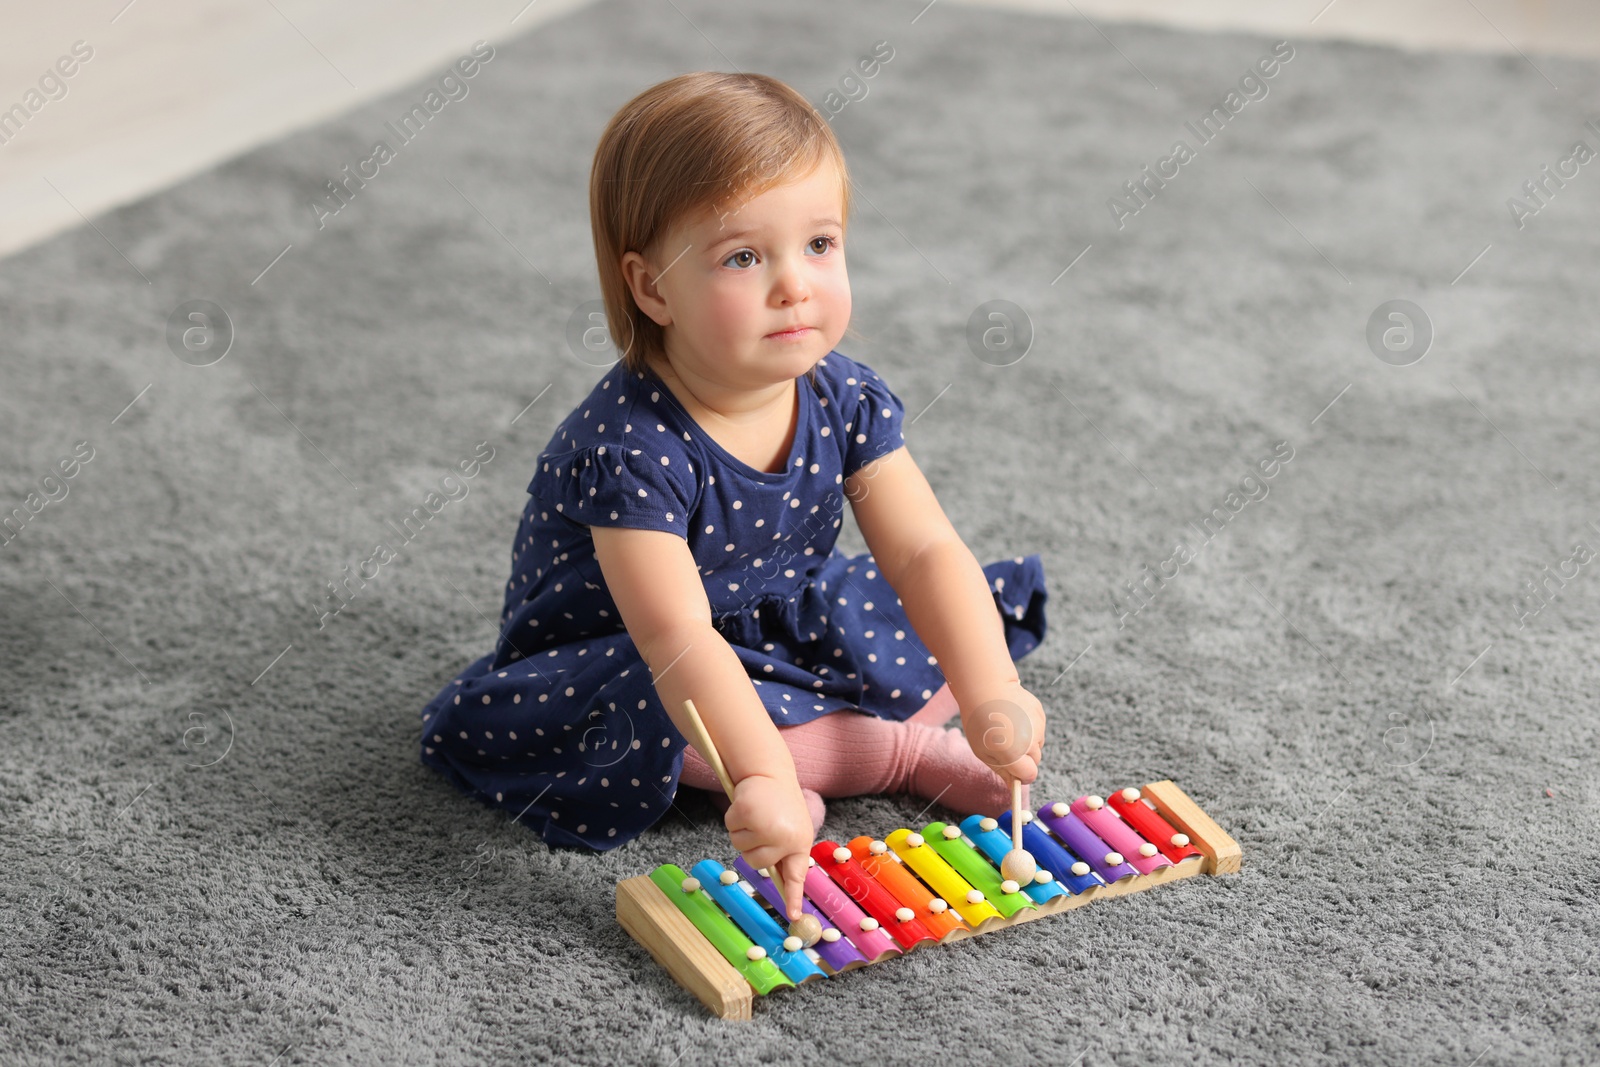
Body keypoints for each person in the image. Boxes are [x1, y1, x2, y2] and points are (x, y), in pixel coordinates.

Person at [418, 71, 1050, 921]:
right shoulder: (628, 448)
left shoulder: (845, 395)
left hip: (766, 618)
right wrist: (761, 775)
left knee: (949, 607)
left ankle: (829, 756)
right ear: (652, 289)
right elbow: (677, 639)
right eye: (744, 257)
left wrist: (989, 693)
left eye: (820, 244)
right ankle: (892, 756)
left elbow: (923, 549)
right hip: (626, 659)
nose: (795, 284)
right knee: (676, 728)